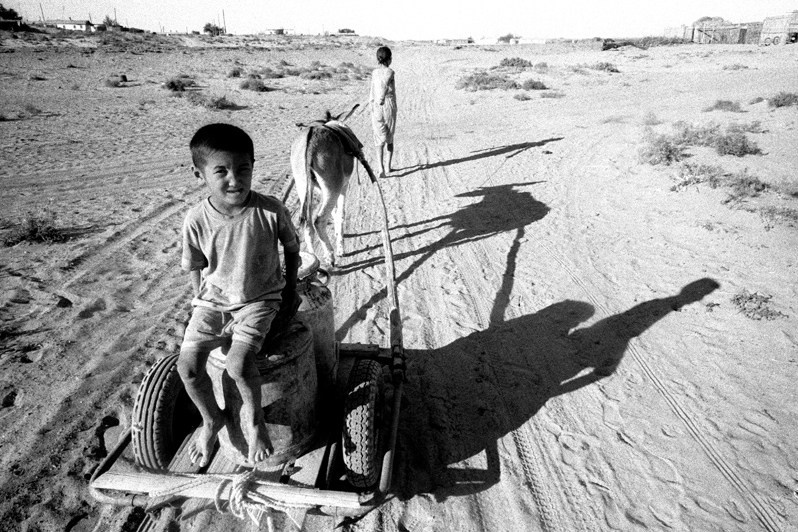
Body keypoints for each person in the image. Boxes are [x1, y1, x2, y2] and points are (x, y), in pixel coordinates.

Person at [178, 123, 300, 467]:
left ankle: (255, 419)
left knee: (237, 364)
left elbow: (292, 249)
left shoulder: (270, 210)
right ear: (199, 173)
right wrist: (196, 305)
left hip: (259, 300)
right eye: (222, 171)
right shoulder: (195, 219)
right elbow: (196, 267)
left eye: (243, 168)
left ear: (252, 166)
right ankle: (211, 419)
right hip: (212, 302)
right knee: (187, 368)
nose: (235, 179)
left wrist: (290, 291)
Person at [369, 45, 397, 177]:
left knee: (378, 137)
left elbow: (372, 90)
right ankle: (388, 167)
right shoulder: (390, 71)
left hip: (376, 107)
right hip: (388, 105)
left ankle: (380, 168)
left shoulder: (374, 72)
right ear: (389, 59)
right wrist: (381, 99)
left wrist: (372, 105)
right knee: (390, 137)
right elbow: (385, 84)